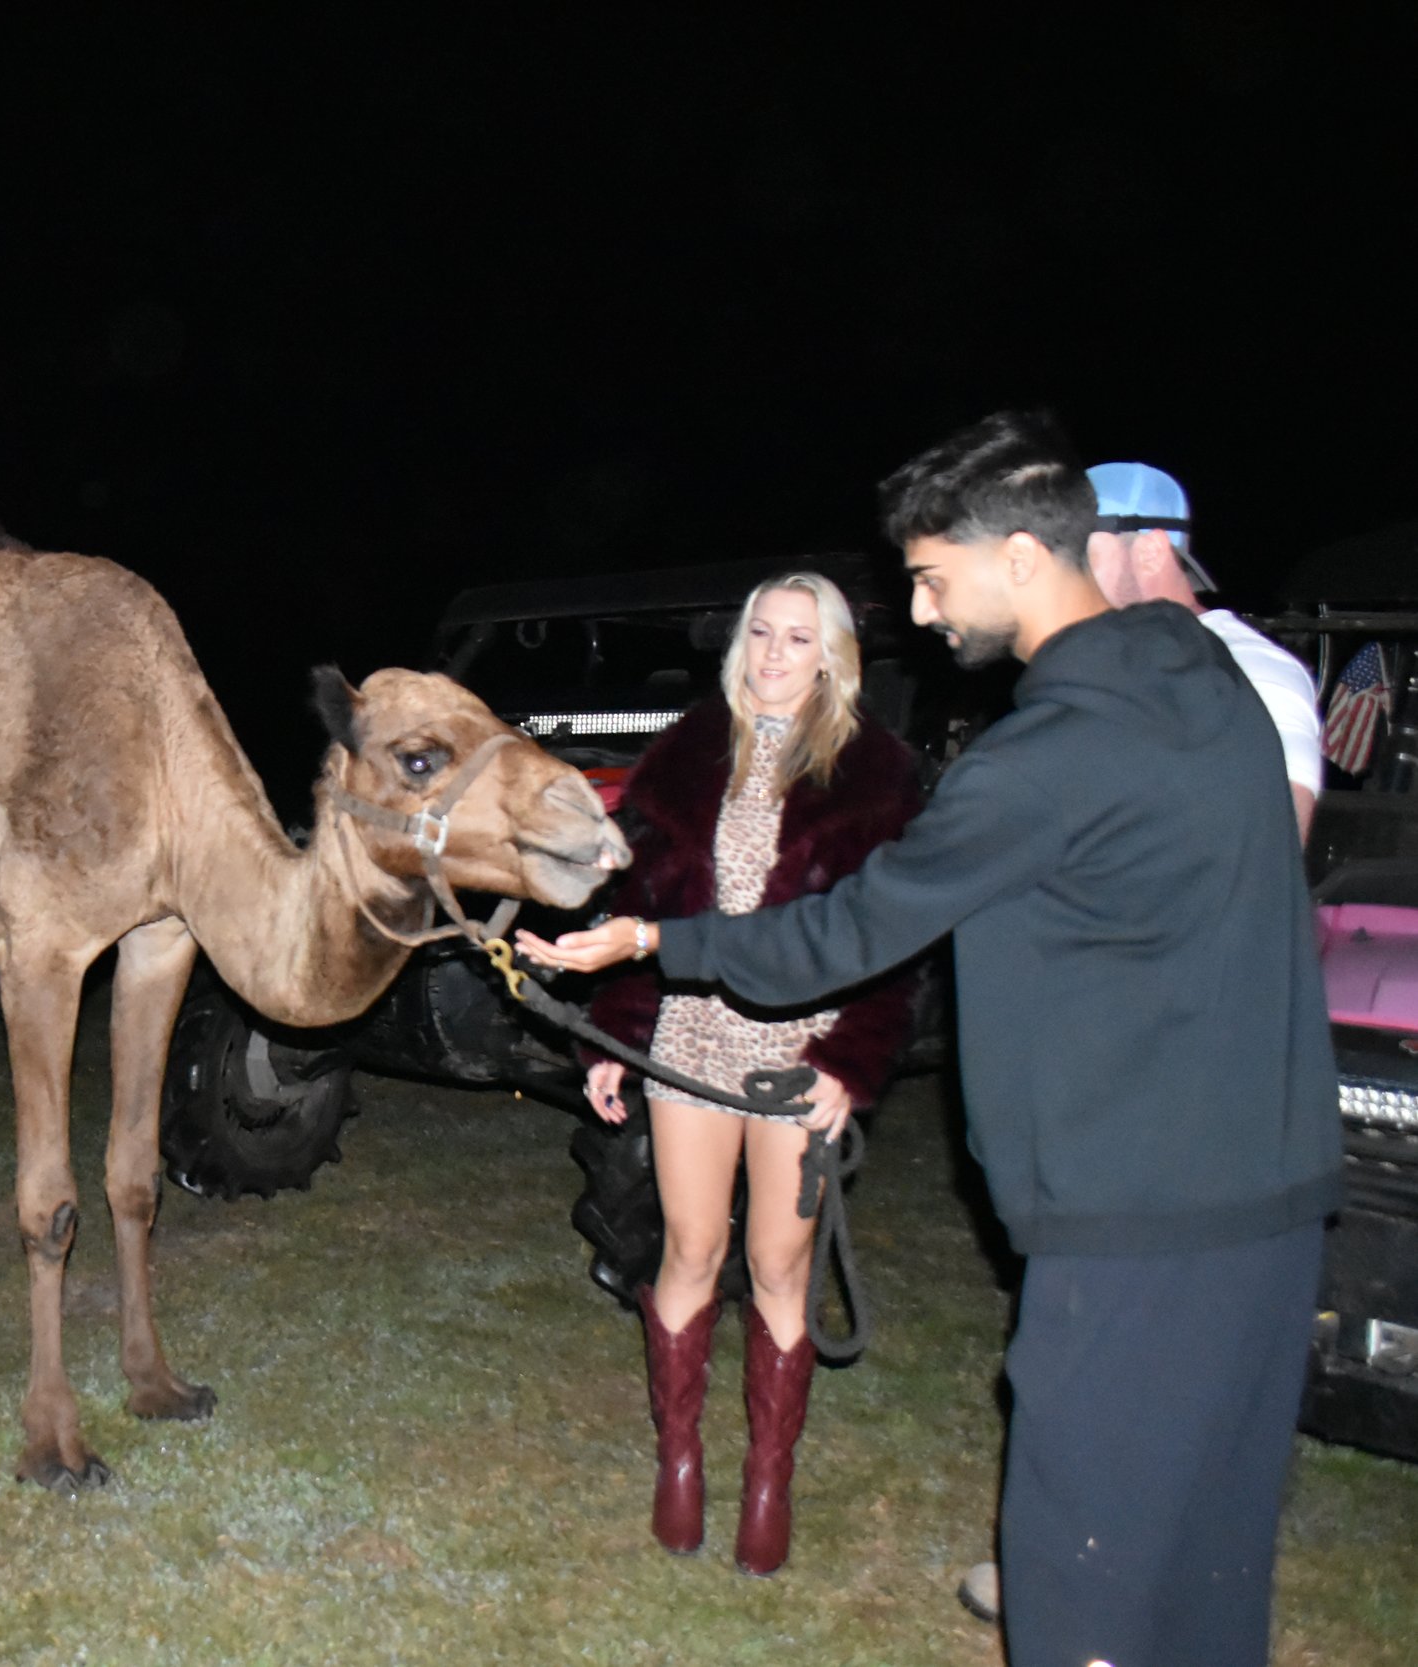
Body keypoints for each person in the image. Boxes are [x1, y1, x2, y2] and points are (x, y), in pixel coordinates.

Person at [518, 410, 1340, 1667]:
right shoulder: (1210, 686)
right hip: (1269, 1204)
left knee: (1087, 1590)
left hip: (1132, 1219)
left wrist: (648, 947)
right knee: (1207, 1569)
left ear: (1020, 554)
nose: (921, 609)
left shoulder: (1042, 758)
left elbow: (845, 934)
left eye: (931, 576)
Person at [952, 460, 1325, 1628]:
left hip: (1182, 1114)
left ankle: (1096, 1579)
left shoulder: (1244, 675)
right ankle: (1088, 1560)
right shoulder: (1113, 682)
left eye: (1073, 546)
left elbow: (1242, 882)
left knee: (1150, 1398)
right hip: (1115, 1113)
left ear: (1131, 546)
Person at [573, 571, 923, 1575]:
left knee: (777, 1261)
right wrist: (614, 1032)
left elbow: (888, 942)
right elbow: (640, 908)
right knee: (689, 1246)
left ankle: (768, 1476)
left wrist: (850, 1060)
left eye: (797, 638)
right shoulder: (686, 753)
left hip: (800, 1049)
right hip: (689, 1035)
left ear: (832, 655)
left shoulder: (876, 772)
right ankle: (677, 1457)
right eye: (759, 633)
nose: (773, 653)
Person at [1088, 460, 1322, 841]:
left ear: (1150, 552)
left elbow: (1274, 843)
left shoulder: (1249, 667)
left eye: (1082, 555)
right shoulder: (1093, 671)